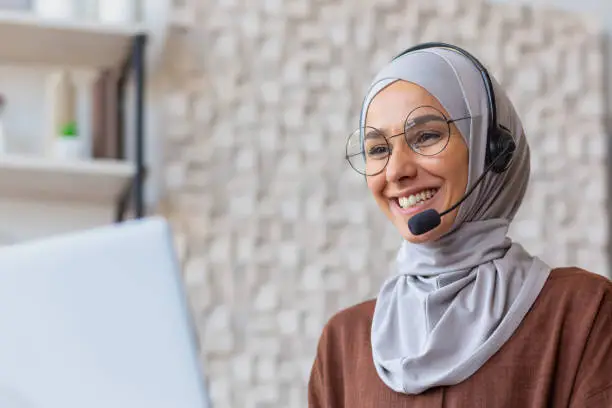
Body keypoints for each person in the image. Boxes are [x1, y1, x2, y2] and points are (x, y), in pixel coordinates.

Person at [308, 43, 612, 407]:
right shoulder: (343, 344)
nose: (396, 170)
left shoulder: (582, 312)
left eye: (426, 136)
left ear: (492, 150)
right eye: (377, 150)